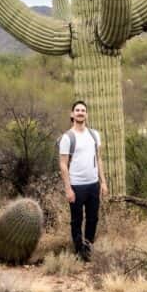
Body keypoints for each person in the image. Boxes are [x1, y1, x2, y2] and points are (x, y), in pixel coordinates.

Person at [58, 100, 108, 261]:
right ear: (72, 114)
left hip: (93, 184)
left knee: (93, 218)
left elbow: (98, 159)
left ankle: (89, 247)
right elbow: (63, 164)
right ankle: (80, 252)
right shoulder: (67, 137)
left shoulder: (94, 135)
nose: (80, 112)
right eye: (77, 110)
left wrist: (103, 182)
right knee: (76, 220)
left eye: (83, 110)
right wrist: (68, 188)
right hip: (76, 186)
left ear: (87, 114)